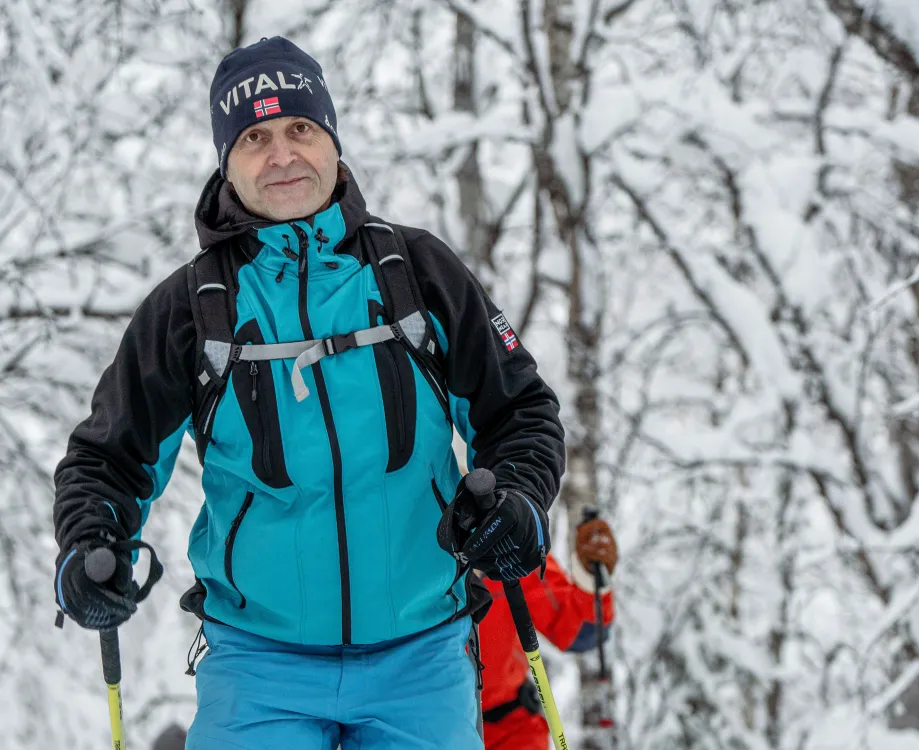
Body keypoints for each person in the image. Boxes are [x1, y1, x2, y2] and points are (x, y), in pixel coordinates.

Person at [52, 35, 564, 750]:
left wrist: (519, 499)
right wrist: (89, 546)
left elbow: (519, 412)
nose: (282, 154)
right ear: (227, 160)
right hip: (259, 669)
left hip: (422, 659)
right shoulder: (191, 309)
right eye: (255, 137)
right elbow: (108, 459)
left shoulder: (415, 274)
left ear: (331, 140)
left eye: (300, 128)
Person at [479, 516, 618, 750]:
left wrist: (590, 578)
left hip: (509, 728)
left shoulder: (506, 534)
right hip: (420, 723)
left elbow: (579, 632)